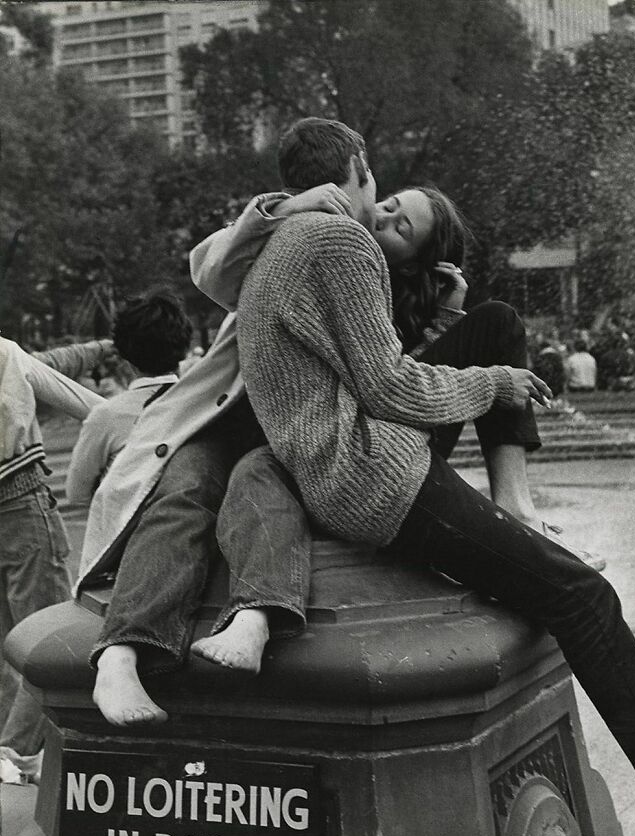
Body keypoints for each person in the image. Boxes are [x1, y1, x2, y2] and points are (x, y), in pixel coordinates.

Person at [215, 118, 635, 836]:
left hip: (342, 470)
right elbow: (388, 387)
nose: (382, 204)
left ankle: (516, 510)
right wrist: (494, 382)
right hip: (374, 477)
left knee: (561, 586)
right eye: (381, 189)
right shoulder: (338, 239)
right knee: (581, 595)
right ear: (358, 165)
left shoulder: (279, 244)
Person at [78, 155, 597, 727]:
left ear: (417, 259)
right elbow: (209, 264)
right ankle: (121, 654)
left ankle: (515, 508)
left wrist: (447, 316)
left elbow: (396, 384)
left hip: (314, 441)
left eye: (403, 227)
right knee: (184, 493)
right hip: (233, 416)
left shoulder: (376, 285)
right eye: (389, 204)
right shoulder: (306, 235)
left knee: (257, 476)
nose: (384, 217)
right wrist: (286, 205)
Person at [0, 336, 109, 757]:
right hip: (19, 502)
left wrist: (99, 348)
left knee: (7, 644)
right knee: (49, 639)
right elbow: (86, 403)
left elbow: (54, 361)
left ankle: (12, 750)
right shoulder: (6, 354)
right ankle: (16, 751)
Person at [66, 293, 193, 505]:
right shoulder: (204, 402)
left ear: (123, 353)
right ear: (184, 346)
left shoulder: (106, 416)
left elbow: (77, 493)